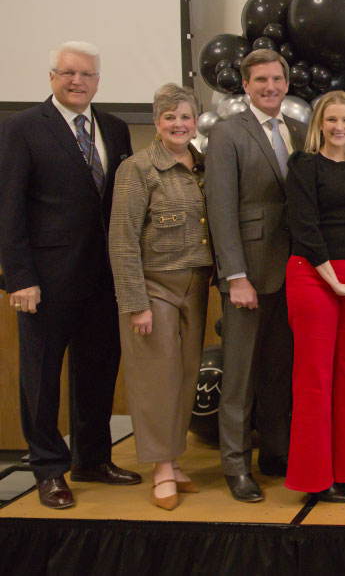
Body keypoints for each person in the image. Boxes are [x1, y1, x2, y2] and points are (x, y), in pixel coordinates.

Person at [0, 41, 140, 509]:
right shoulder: (21, 128)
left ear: (98, 81)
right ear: (52, 76)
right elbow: (8, 209)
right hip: (45, 279)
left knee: (98, 371)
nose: (77, 81)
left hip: (105, 279)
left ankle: (92, 458)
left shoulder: (117, 129)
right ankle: (48, 469)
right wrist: (18, 277)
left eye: (87, 75)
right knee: (41, 379)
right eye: (68, 73)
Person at [206, 49, 306, 502]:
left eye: (277, 79)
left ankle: (275, 453)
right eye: (261, 80)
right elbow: (221, 211)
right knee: (240, 376)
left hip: (294, 272)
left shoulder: (301, 131)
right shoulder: (229, 133)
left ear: (287, 84)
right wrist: (235, 276)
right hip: (249, 274)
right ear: (245, 85)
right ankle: (235, 465)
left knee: (279, 373)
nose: (270, 87)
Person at [107, 84, 212, 510]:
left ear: (195, 121)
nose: (178, 124)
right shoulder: (137, 169)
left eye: (185, 117)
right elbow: (122, 240)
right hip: (154, 287)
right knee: (155, 379)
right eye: (169, 117)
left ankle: (174, 458)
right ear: (156, 122)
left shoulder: (203, 166)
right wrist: (135, 304)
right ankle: (160, 467)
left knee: (186, 375)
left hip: (197, 284)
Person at [282, 91, 345, 503]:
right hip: (315, 276)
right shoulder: (303, 165)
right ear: (319, 123)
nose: (340, 128)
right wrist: (333, 279)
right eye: (332, 120)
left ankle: (342, 471)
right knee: (315, 380)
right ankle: (314, 478)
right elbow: (305, 226)